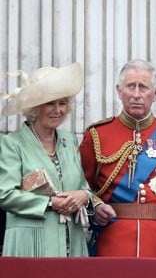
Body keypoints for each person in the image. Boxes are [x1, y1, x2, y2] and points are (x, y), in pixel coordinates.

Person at [79, 59, 156, 257]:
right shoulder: (97, 135)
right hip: (112, 243)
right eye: (130, 87)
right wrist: (96, 208)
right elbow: (81, 186)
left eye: (143, 87)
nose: (136, 94)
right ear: (119, 91)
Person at [0, 62, 92, 256]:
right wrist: (50, 203)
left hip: (71, 242)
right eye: (50, 103)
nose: (57, 110)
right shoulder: (12, 143)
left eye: (63, 103)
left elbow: (83, 186)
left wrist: (83, 196)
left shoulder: (69, 140)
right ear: (34, 107)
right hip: (30, 243)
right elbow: (5, 194)